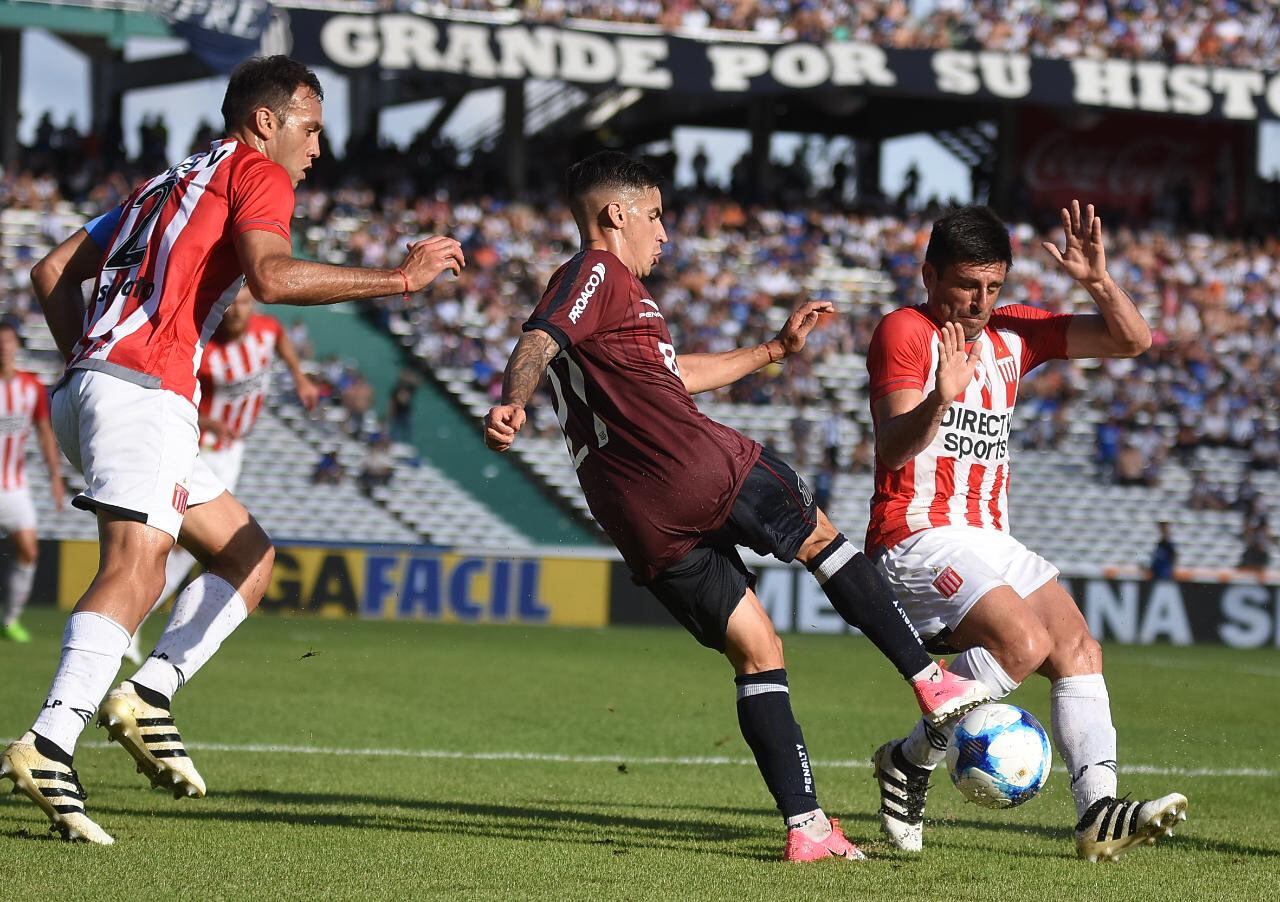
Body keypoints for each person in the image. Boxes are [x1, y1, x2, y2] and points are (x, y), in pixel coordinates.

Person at [2, 55, 464, 845]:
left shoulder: (168, 180)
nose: (318, 148)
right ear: (265, 120)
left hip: (105, 386)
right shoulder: (258, 171)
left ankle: (148, 693)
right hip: (143, 392)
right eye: (310, 128)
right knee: (136, 566)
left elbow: (51, 271)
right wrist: (399, 278)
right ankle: (50, 742)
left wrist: (93, 360)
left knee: (248, 555)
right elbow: (273, 277)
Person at [483, 152, 989, 862]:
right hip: (694, 466)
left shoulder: (615, 306)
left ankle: (808, 828)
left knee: (758, 653)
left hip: (637, 517)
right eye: (655, 216)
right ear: (615, 215)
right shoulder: (597, 272)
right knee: (821, 542)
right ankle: (930, 679)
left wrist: (774, 350)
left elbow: (673, 375)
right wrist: (512, 398)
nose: (664, 234)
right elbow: (538, 336)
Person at [865, 202, 1186, 863]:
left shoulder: (1015, 335)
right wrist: (940, 398)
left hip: (989, 535)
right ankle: (910, 758)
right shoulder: (904, 329)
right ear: (929, 276)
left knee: (1077, 648)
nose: (980, 303)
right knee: (1025, 641)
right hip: (915, 534)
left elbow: (1132, 341)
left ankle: (1097, 813)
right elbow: (894, 450)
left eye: (993, 288)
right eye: (965, 286)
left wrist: (1098, 279)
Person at [122, 284, 320, 664]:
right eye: (230, 305)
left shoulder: (267, 330)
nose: (236, 312)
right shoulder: (207, 352)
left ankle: (138, 620)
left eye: (244, 304)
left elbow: (280, 341)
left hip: (235, 448)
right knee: (186, 544)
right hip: (206, 447)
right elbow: (178, 398)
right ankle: (134, 621)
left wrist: (300, 377)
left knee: (193, 544)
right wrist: (209, 420)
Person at [0, 320, 65, 642]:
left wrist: (55, 476)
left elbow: (43, 431)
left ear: (16, 347)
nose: (4, 348)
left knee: (28, 551)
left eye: (8, 342)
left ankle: (9, 620)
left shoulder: (30, 387)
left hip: (13, 486)